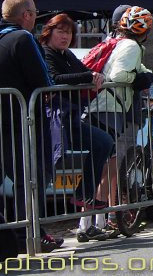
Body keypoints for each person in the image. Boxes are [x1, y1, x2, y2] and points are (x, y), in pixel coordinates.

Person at [0, 0, 62, 253]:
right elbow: (43, 81)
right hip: (14, 117)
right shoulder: (22, 37)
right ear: (27, 15)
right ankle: (26, 234)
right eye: (34, 13)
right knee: (29, 178)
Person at [39, 14, 116, 241]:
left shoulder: (67, 54)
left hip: (69, 119)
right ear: (49, 32)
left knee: (104, 142)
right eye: (60, 31)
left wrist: (95, 75)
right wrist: (88, 76)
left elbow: (84, 70)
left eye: (69, 32)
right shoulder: (46, 53)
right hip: (51, 121)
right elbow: (56, 77)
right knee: (44, 173)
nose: (65, 36)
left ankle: (84, 197)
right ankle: (34, 229)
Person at [86, 6, 153, 234]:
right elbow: (118, 75)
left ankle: (93, 223)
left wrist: (145, 74)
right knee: (107, 168)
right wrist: (140, 78)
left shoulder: (120, 43)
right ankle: (93, 223)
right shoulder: (132, 46)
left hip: (104, 107)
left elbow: (133, 68)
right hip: (110, 108)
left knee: (104, 167)